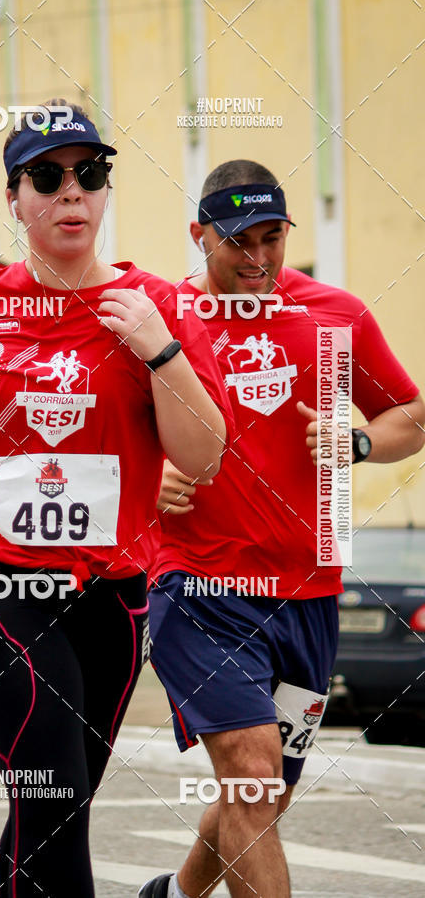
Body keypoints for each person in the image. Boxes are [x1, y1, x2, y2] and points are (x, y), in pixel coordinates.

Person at [0, 100, 233, 898]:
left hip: (111, 600)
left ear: (104, 192)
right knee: (53, 792)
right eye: (48, 177)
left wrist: (159, 351)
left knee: (55, 806)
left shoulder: (153, 305)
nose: (72, 192)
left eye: (90, 175)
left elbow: (201, 458)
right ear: (15, 198)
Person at [140, 159, 425, 898]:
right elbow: (106, 438)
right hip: (198, 585)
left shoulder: (333, 315)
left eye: (272, 237)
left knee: (264, 792)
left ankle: (173, 895)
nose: (260, 258)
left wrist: (356, 441)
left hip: (307, 596)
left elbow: (410, 416)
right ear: (199, 235)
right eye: (240, 241)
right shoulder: (163, 320)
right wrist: (147, 478)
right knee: (253, 769)